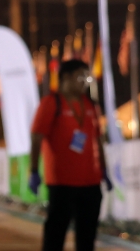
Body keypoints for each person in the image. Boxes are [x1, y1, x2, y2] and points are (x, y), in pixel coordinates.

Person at [28, 59, 112, 251]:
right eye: (80, 76)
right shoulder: (51, 103)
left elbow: (98, 140)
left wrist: (104, 170)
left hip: (90, 184)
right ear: (66, 77)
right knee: (55, 236)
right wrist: (34, 170)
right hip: (62, 184)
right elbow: (36, 138)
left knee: (87, 237)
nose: (84, 81)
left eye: (86, 77)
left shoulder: (90, 105)